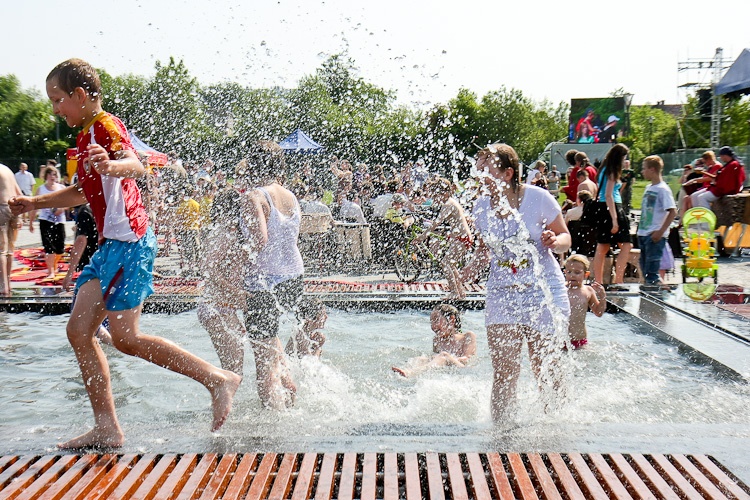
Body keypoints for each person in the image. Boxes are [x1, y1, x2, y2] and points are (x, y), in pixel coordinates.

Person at [9, 58, 240, 448]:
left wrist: (113, 164)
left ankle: (217, 380)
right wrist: (34, 203)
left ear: (80, 95)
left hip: (130, 244)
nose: (55, 109)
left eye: (58, 99)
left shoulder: (106, 125)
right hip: (109, 248)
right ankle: (107, 427)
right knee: (79, 331)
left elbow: (136, 165)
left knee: (126, 338)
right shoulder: (85, 136)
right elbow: (81, 192)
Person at [457, 143, 571, 421]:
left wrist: (555, 241)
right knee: (504, 370)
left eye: (486, 168)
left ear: (507, 174)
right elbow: (485, 250)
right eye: (478, 167)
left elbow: (565, 237)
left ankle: (556, 426)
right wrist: (468, 270)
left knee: (544, 367)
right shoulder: (480, 206)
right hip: (502, 293)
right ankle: (501, 432)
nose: (479, 173)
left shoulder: (538, 198)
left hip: (542, 290)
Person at [238, 140, 303, 410]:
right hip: (293, 277)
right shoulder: (291, 196)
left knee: (263, 365)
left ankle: (273, 426)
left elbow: (258, 242)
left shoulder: (254, 196)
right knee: (271, 341)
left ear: (253, 165)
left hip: (264, 282)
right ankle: (287, 381)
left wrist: (232, 263)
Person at [197, 188, 249, 375]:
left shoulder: (224, 232)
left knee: (233, 370)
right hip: (216, 307)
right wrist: (237, 293)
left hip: (221, 307)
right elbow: (208, 269)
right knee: (233, 372)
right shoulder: (223, 234)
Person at [414, 177, 473, 298]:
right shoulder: (452, 202)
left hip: (462, 238)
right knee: (451, 264)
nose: (436, 198)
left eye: (437, 195)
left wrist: (422, 237)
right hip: (463, 237)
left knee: (445, 263)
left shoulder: (448, 204)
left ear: (445, 192)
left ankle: (454, 292)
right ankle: (460, 292)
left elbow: (436, 223)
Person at [391, 304, 476, 377]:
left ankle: (411, 373)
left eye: (436, 320)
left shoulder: (467, 336)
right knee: (421, 358)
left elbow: (466, 359)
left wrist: (448, 358)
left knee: (444, 355)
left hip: (463, 370)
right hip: (448, 372)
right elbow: (435, 361)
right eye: (431, 322)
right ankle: (404, 370)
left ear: (451, 320)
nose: (433, 326)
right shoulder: (437, 340)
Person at [591, 144, 632, 285]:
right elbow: (609, 195)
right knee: (626, 245)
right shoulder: (612, 171)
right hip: (613, 207)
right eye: (624, 158)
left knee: (602, 247)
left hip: (603, 208)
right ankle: (618, 280)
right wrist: (614, 219)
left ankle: (598, 281)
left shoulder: (603, 170)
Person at [638, 155, 677, 285]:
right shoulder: (648, 187)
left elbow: (672, 211)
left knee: (652, 274)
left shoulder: (663, 189)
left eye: (644, 168)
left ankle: (658, 294)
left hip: (654, 235)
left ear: (652, 169)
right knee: (645, 272)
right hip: (643, 233)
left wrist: (660, 232)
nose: (642, 171)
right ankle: (654, 291)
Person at [564, 255, 606, 349]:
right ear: (565, 272)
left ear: (586, 274)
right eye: (569, 272)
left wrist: (602, 297)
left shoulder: (588, 291)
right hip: (559, 341)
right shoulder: (561, 290)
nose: (572, 275)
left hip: (580, 340)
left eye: (577, 272)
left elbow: (598, 313)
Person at [32, 166, 66, 278]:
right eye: (50, 174)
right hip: (45, 220)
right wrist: (31, 222)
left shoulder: (61, 188)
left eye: (54, 174)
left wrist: (61, 209)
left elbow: (68, 203)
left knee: (60, 248)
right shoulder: (41, 189)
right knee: (49, 246)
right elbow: (34, 206)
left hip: (59, 221)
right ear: (46, 176)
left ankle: (54, 265)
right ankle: (51, 270)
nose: (52, 176)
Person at [1, 163, 23, 296]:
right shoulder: (7, 169)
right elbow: (19, 193)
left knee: (1, 251)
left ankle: (2, 285)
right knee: (9, 250)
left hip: (1, 208)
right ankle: (8, 284)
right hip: (13, 208)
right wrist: (20, 216)